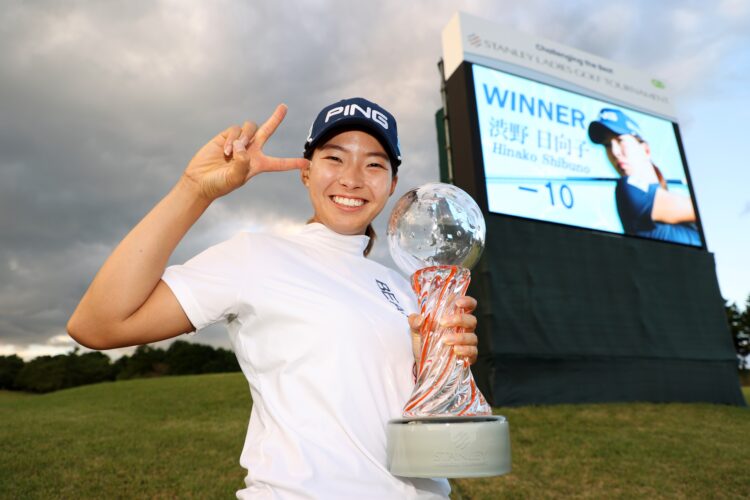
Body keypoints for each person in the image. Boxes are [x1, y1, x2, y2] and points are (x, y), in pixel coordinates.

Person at [67, 98, 482, 499]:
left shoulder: (404, 286)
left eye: (374, 164)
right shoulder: (256, 257)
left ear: (392, 184)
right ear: (305, 171)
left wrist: (434, 365)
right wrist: (194, 189)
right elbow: (99, 325)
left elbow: (415, 417)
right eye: (334, 158)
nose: (352, 178)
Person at [588, 108, 701, 246]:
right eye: (607, 145)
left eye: (620, 140)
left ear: (645, 149)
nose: (614, 152)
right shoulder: (628, 188)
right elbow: (702, 210)